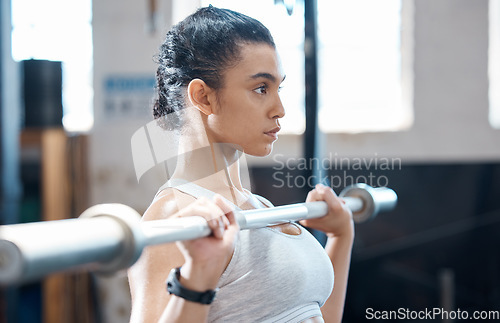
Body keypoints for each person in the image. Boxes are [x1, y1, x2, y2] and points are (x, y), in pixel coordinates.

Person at [128, 6, 354, 323]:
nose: (279, 109)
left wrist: (341, 238)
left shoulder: (258, 206)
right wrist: (196, 279)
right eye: (261, 88)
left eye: (279, 88)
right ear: (204, 97)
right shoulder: (174, 216)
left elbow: (315, 314)